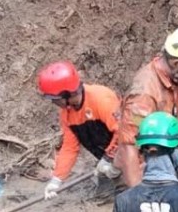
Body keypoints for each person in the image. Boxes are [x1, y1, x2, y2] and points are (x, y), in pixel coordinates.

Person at [114, 26, 178, 187]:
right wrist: (140, 195)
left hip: (160, 163)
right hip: (145, 173)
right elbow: (129, 147)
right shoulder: (145, 94)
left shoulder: (169, 81)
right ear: (176, 63)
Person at [36, 60, 122, 200]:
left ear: (67, 94)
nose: (53, 102)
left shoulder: (101, 99)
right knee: (104, 194)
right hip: (106, 154)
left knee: (131, 191)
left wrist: (109, 158)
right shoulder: (67, 114)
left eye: (55, 99)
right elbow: (70, 147)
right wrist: (57, 179)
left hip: (131, 149)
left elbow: (125, 132)